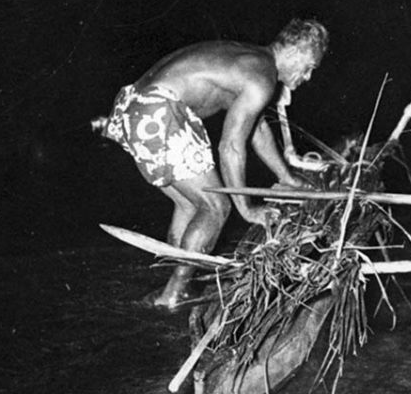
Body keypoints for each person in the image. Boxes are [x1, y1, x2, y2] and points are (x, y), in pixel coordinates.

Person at [93, 19, 329, 311]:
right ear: (295, 53)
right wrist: (247, 209)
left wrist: (286, 177)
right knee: (217, 206)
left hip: (132, 107)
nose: (307, 77)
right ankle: (174, 293)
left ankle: (177, 286)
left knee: (192, 205)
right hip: (158, 110)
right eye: (309, 68)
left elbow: (256, 129)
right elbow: (230, 147)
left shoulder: (253, 62)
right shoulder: (262, 76)